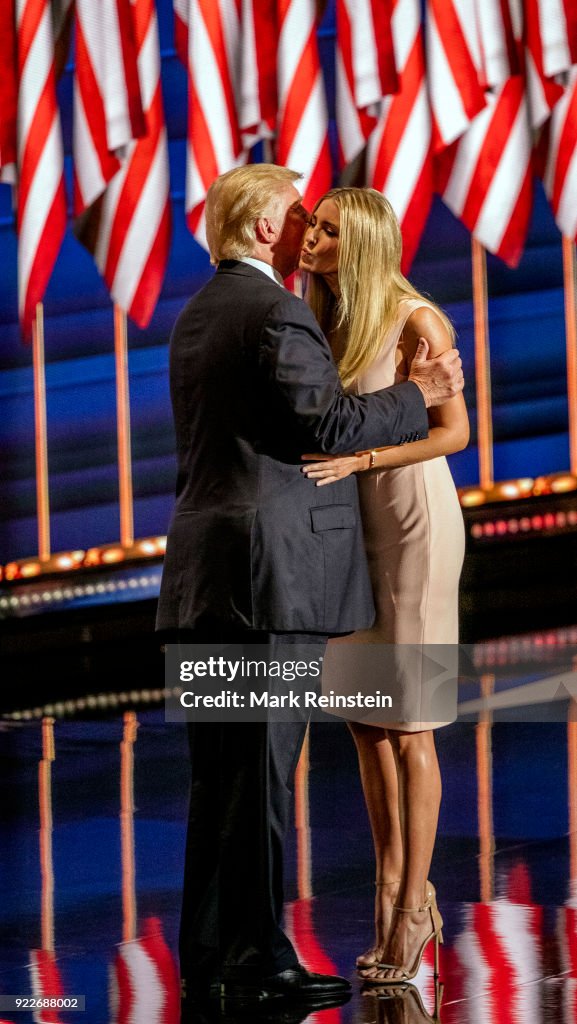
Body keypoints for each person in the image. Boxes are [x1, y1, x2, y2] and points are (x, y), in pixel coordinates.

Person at [156, 165, 464, 1013]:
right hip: (268, 578)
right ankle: (258, 956)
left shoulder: (198, 313)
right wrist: (418, 394)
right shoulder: (279, 311)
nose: (308, 231)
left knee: (220, 777)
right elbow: (324, 426)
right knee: (255, 777)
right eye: (299, 217)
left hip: (212, 574)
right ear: (265, 230)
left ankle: (214, 949)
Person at [300, 187, 468, 985]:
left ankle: (411, 915)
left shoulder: (415, 321)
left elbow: (453, 431)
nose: (309, 240)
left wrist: (363, 461)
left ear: (360, 240)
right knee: (366, 724)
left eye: (327, 231)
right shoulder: (323, 318)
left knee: (410, 724)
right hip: (348, 529)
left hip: (413, 525)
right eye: (310, 226)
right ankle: (391, 896)